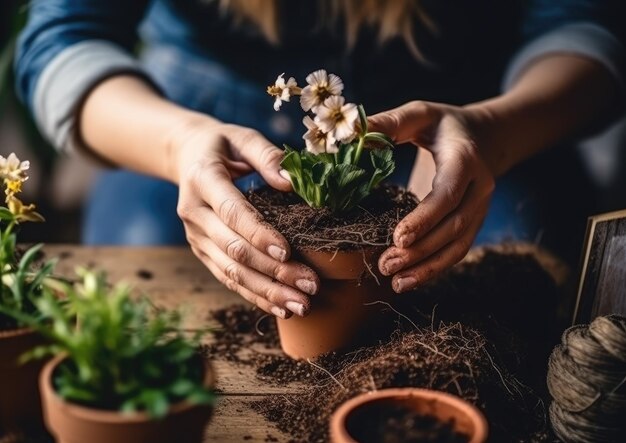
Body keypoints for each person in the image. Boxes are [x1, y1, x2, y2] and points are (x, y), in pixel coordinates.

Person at [15, 1, 625, 318]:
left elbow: (588, 27)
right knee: (139, 263)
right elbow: (60, 40)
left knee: (514, 287)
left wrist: (494, 129)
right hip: (194, 122)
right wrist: (178, 145)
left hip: (470, 130)